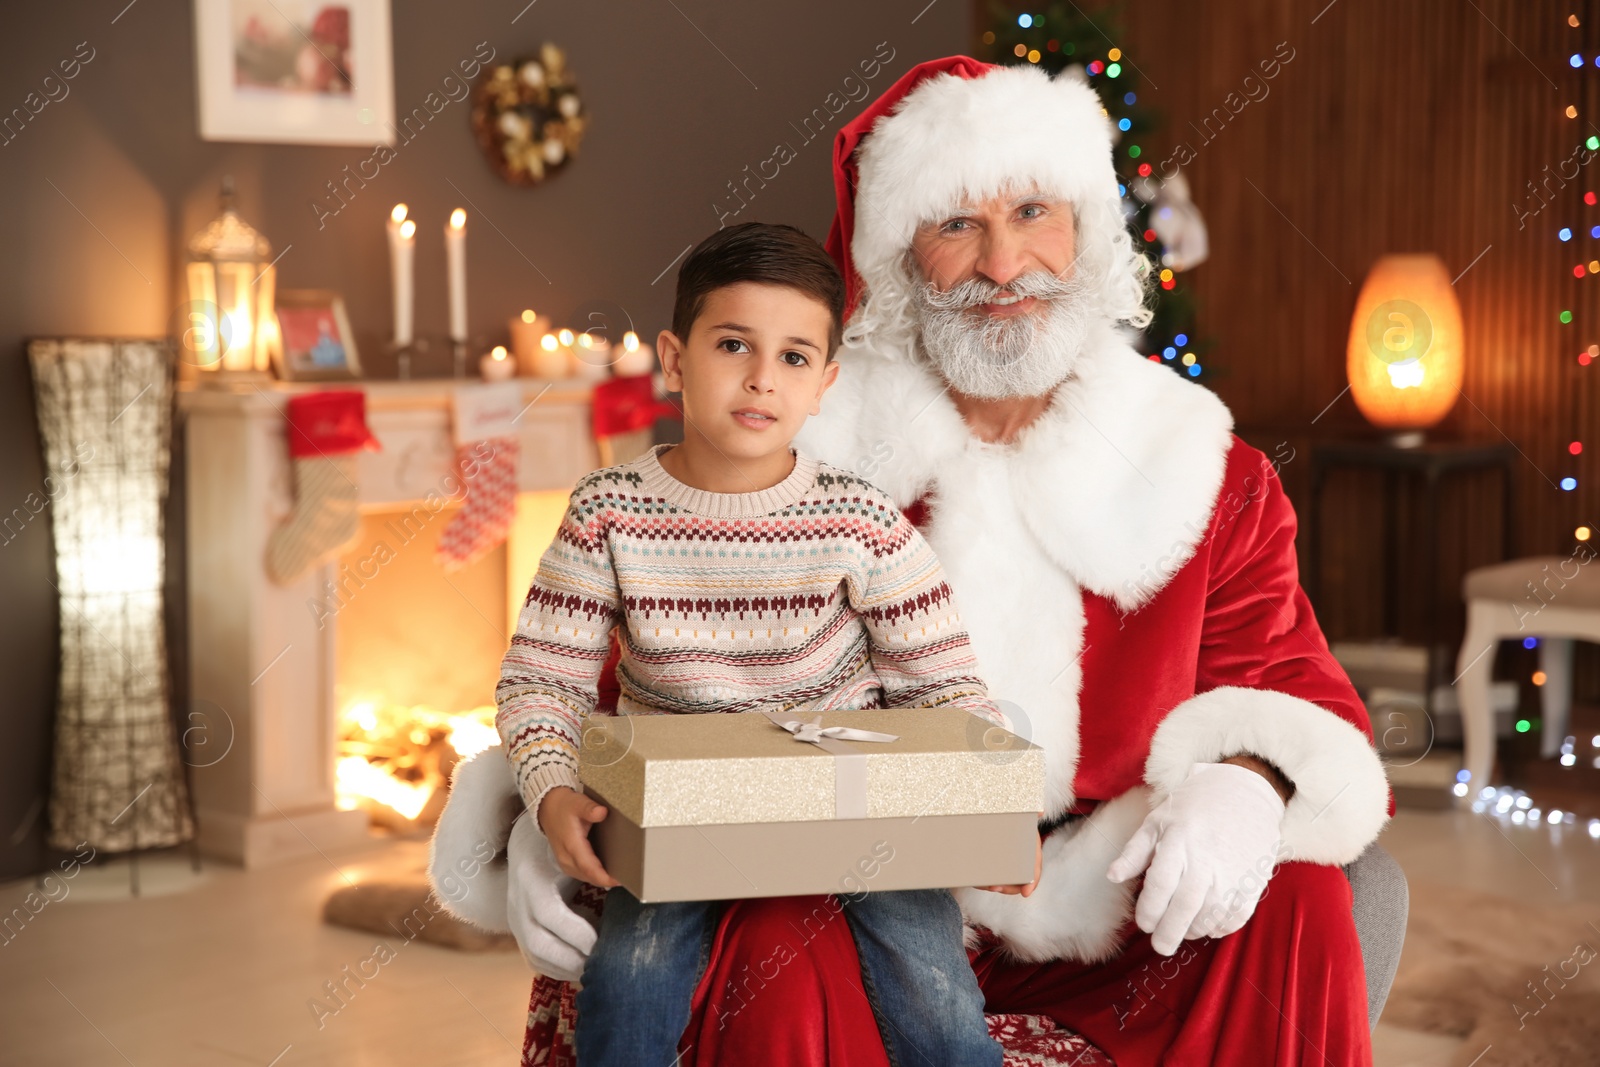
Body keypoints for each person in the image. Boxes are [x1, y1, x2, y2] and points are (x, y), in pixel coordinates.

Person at [432, 57, 1402, 1066]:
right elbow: (625, 670)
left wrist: (1244, 782)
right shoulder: (792, 462)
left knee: (1300, 903)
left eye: (1032, 209)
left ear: (1086, 231)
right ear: (900, 256)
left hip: (1112, 896)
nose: (1001, 263)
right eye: (955, 225)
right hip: (851, 886)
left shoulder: (1207, 470)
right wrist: (539, 812)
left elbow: (1285, 680)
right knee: (768, 934)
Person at [494, 221, 1015, 1067]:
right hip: (676, 807)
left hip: (855, 799)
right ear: (673, 359)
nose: (762, 378)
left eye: (795, 357)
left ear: (824, 385)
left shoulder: (859, 519)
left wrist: (991, 810)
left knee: (937, 992)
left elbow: (944, 681)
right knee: (629, 981)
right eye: (733, 344)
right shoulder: (607, 512)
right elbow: (539, 681)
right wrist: (551, 792)